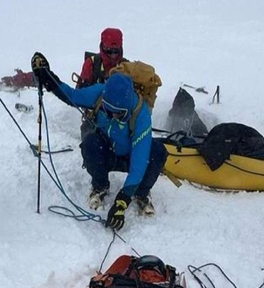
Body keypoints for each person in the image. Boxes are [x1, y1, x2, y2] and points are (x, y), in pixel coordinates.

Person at [32, 53, 166, 230]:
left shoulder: (141, 115)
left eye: (118, 114)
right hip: (108, 150)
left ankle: (140, 193)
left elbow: (139, 163)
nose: (111, 116)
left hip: (131, 156)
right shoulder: (100, 93)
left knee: (157, 151)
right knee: (90, 143)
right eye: (107, 111)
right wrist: (49, 78)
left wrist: (121, 202)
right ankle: (100, 186)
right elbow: (72, 96)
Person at [76, 28, 126, 141]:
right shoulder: (92, 64)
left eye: (116, 51)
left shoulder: (126, 67)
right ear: (103, 47)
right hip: (94, 119)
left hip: (120, 120)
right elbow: (80, 93)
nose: (113, 55)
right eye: (109, 51)